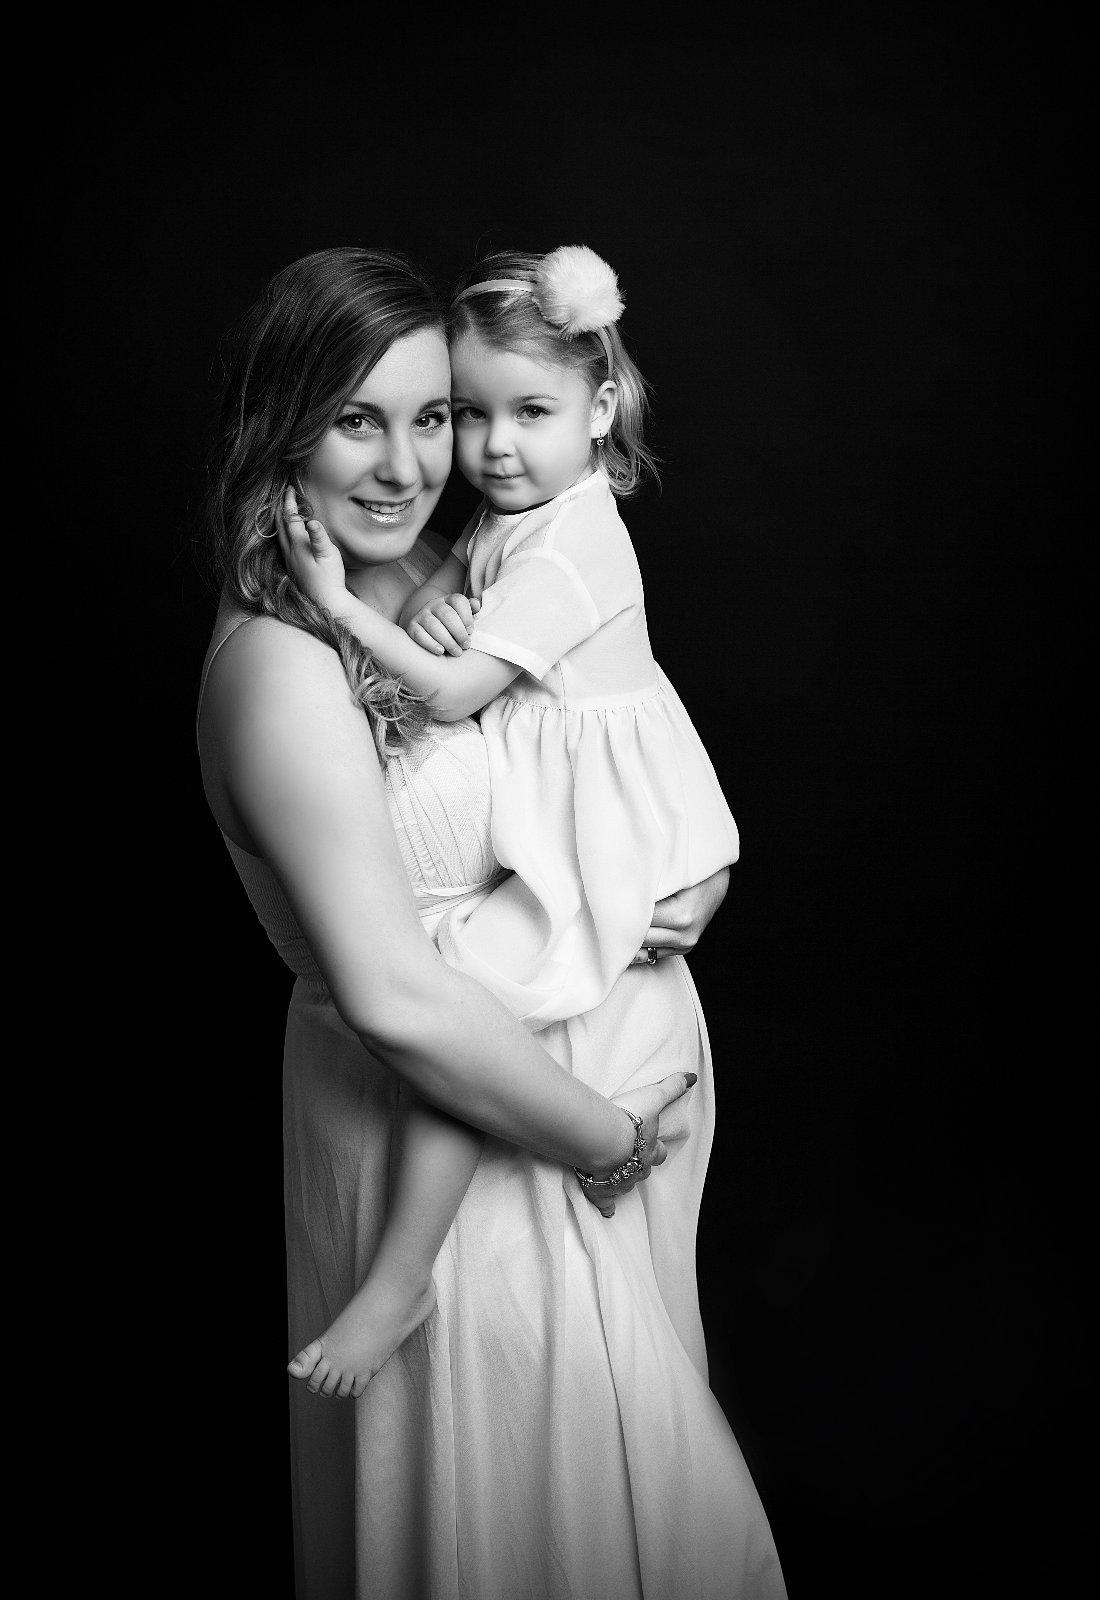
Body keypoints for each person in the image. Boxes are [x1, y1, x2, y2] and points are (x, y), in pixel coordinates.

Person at [197, 247, 786, 1598]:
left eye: (433, 416)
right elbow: (399, 997)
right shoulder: (278, 668)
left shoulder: (449, 567)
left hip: (560, 1101)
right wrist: (606, 1140)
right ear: (278, 427)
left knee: (613, 1510)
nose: (412, 464)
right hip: (492, 1133)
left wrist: (682, 867)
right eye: (357, 420)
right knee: (514, 1522)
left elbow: (599, 736)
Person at [281, 245, 744, 1405]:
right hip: (568, 830)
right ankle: (410, 1270)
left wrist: (340, 606)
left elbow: (446, 696)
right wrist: (431, 620)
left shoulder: (575, 538)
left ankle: (398, 1279)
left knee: (467, 1003)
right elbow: (443, 626)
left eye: (529, 412)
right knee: (462, 1003)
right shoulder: (511, 514)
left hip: (596, 838)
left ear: (600, 409)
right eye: (471, 412)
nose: (492, 447)